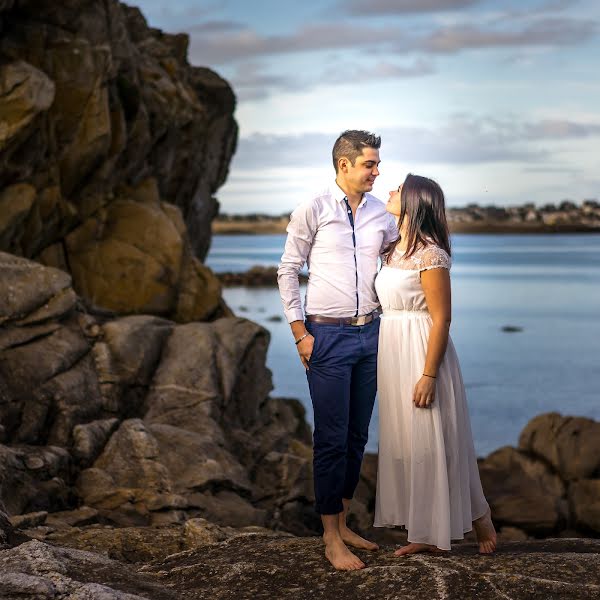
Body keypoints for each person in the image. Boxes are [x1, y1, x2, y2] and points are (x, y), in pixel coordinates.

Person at [277, 130, 397, 571]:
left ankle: (344, 522)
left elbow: (399, 258)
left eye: (377, 163)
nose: (377, 171)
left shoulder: (382, 213)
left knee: (357, 436)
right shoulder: (314, 208)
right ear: (344, 165)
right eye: (370, 164)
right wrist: (299, 333)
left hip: (373, 335)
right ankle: (330, 538)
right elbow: (288, 270)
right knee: (330, 437)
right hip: (326, 336)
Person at [373, 173, 497, 555]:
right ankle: (422, 530)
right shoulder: (391, 249)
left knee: (434, 438)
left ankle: (478, 520)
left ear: (415, 202)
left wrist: (428, 374)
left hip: (422, 350)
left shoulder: (431, 254)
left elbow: (441, 318)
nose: (390, 191)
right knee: (409, 442)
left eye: (398, 189)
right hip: (392, 347)